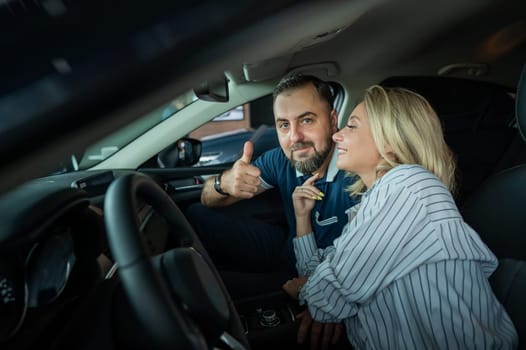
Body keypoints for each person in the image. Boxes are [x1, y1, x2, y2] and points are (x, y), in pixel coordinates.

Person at [282, 85, 518, 349]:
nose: (337, 136)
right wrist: (302, 217)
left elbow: (331, 293)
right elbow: (321, 276)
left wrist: (306, 292)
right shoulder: (367, 211)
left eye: (352, 126)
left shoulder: (410, 185)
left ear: (391, 142)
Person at [186, 73, 359, 348]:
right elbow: (210, 199)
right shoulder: (280, 159)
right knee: (197, 215)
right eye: (283, 125)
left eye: (307, 120)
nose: (295, 137)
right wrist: (223, 183)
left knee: (198, 293)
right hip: (289, 248)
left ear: (333, 120)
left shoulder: (359, 171)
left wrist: (327, 297)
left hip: (312, 277)